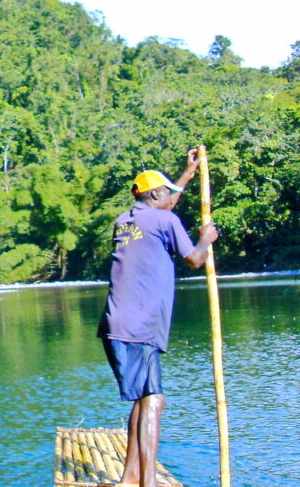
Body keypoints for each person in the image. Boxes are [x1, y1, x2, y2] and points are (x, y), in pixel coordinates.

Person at [97, 148, 218, 487]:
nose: (170, 198)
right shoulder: (164, 220)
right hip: (140, 326)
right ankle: (147, 483)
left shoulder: (126, 220)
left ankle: (130, 477)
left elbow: (163, 208)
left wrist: (187, 175)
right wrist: (206, 238)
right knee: (154, 400)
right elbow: (194, 259)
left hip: (116, 324)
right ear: (154, 195)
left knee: (143, 398)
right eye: (165, 192)